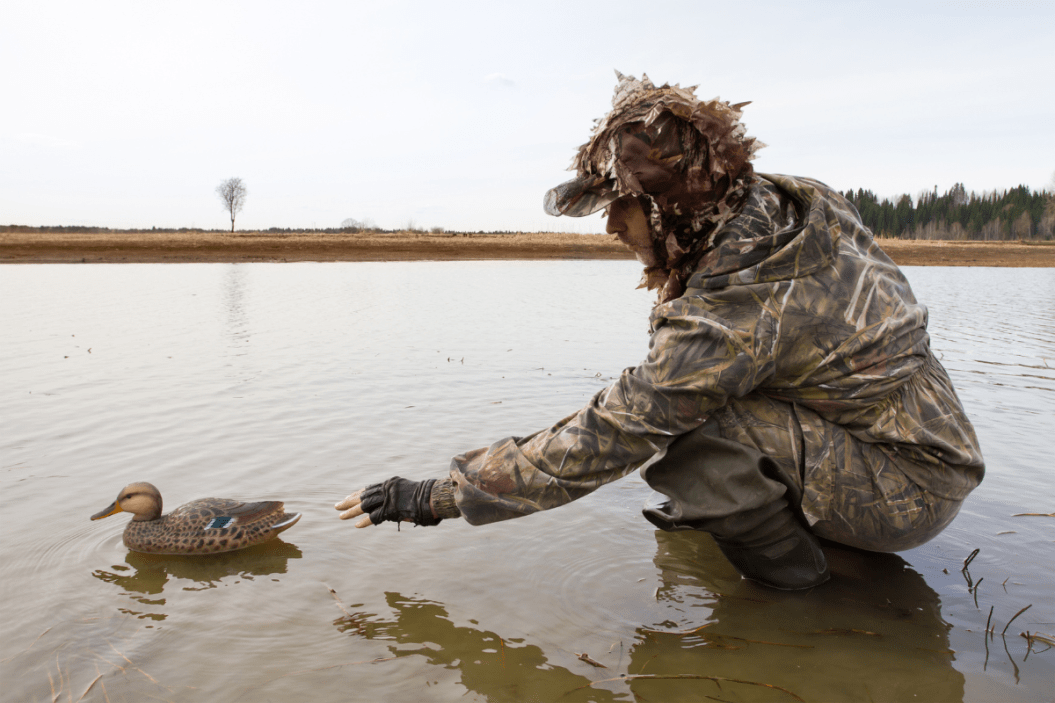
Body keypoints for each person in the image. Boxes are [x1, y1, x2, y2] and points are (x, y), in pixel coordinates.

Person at [335, 72, 985, 590]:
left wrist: (438, 496)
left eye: (617, 206)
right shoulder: (783, 202)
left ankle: (803, 596)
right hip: (921, 445)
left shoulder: (739, 292)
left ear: (666, 203)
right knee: (702, 431)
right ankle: (774, 530)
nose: (609, 227)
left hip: (909, 487)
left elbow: (620, 426)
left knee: (700, 446)